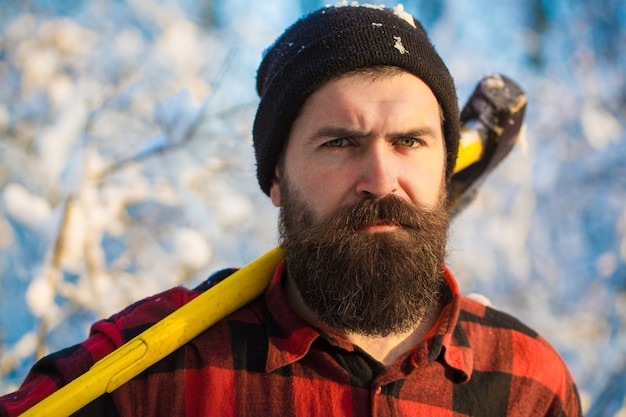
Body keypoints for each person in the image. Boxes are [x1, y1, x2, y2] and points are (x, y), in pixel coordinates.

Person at [0, 4, 582, 416]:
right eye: (340, 143)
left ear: (445, 163)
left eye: (410, 141)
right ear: (275, 177)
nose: (381, 179)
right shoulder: (156, 372)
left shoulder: (531, 384)